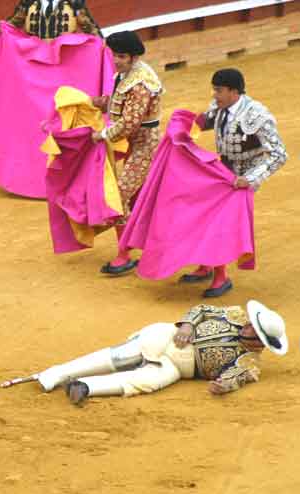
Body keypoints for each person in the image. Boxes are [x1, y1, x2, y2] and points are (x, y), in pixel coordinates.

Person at [34, 300, 287, 405]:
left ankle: (84, 387)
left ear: (261, 342)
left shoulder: (249, 363)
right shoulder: (234, 314)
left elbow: (234, 379)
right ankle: (56, 373)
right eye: (252, 324)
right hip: (167, 335)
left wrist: (224, 385)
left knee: (147, 381)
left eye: (255, 332)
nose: (248, 327)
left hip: (179, 368)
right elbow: (200, 309)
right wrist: (187, 324)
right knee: (122, 356)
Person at [178, 68, 288, 296]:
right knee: (203, 215)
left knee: (220, 222)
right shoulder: (221, 107)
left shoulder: (257, 115)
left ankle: (221, 277)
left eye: (218, 90)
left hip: (245, 174)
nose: (214, 95)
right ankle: (206, 265)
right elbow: (203, 121)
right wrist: (181, 127)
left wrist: (249, 179)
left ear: (234, 91)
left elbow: (279, 154)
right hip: (224, 170)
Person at [91, 31, 163, 276]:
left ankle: (124, 254)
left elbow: (131, 121)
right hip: (134, 144)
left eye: (121, 56)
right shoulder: (125, 75)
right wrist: (103, 103)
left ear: (133, 57)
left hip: (146, 146)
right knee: (140, 199)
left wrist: (102, 136)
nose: (116, 60)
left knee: (120, 195)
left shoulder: (141, 82)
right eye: (114, 54)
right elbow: (122, 104)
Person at [0, 0, 101, 39]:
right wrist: (2, 26)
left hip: (65, 53)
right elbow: (15, 22)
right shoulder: (28, 2)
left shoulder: (74, 2)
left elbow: (88, 26)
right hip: (35, 52)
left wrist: (102, 43)